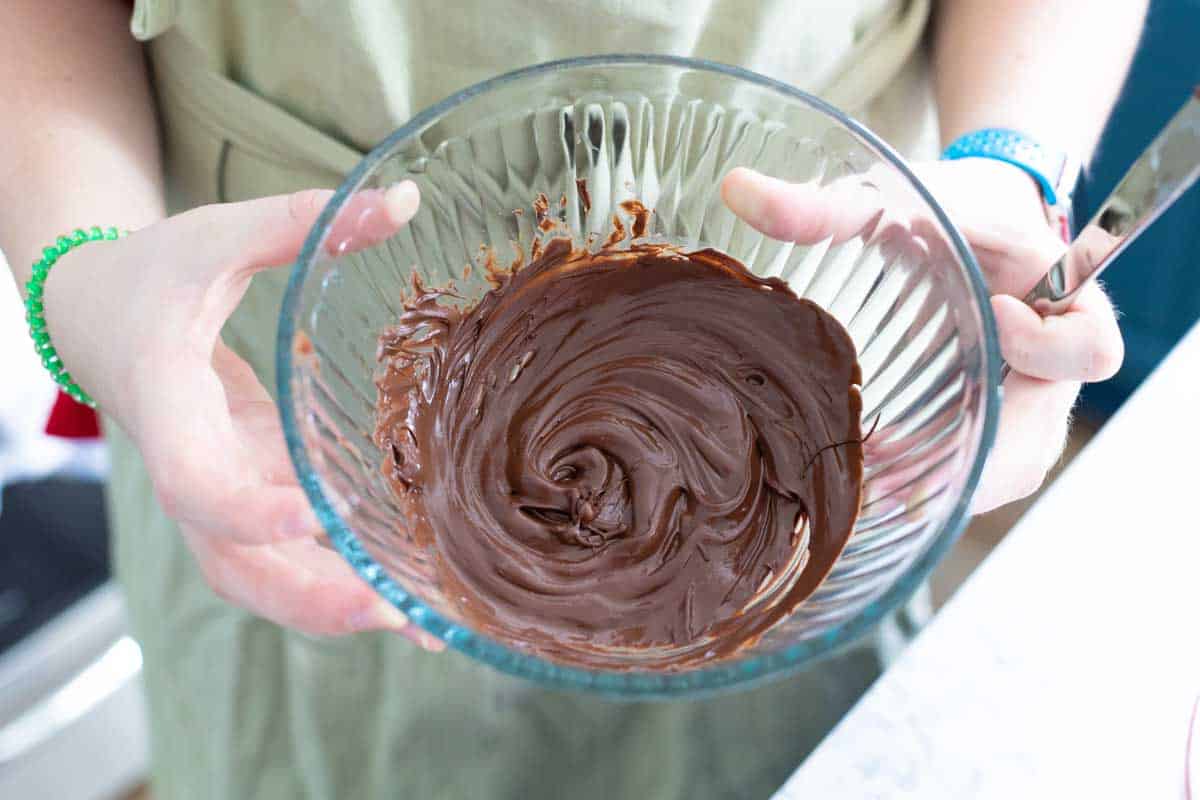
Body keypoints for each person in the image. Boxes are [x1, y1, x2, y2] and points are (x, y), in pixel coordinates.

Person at [1, 1, 1141, 797]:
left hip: (842, 271)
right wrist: (84, 268)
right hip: (280, 390)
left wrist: (1005, 170)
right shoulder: (280, 422)